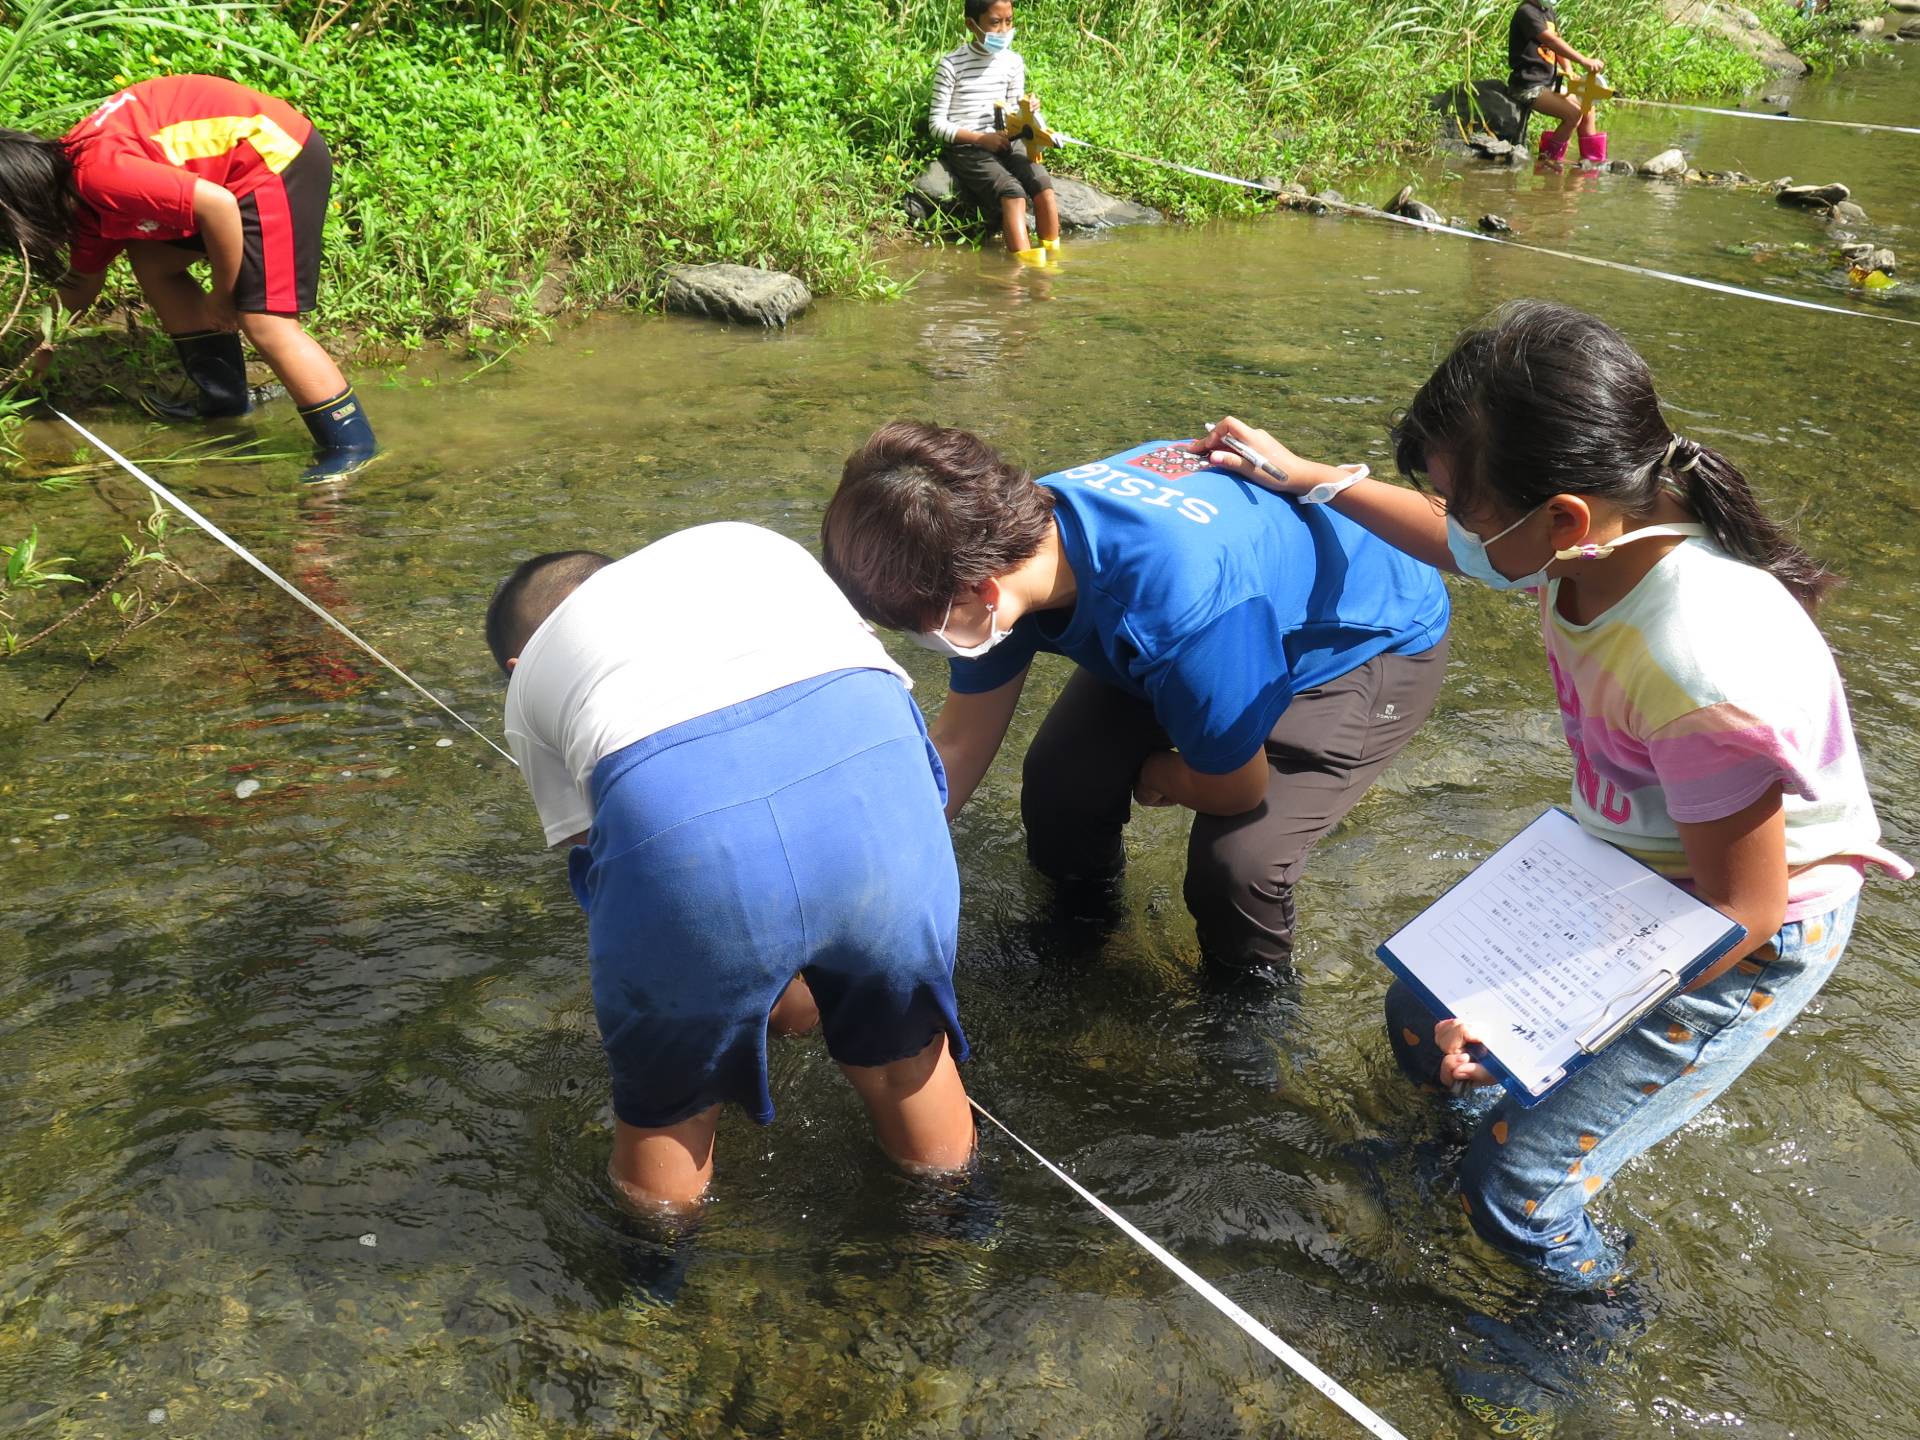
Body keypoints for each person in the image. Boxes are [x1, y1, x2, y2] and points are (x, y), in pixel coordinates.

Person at [1193, 300, 1909, 1288]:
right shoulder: (1602, 535)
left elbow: (1741, 907)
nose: (1456, 524)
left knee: (1519, 1189)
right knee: (1419, 1014)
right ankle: (1459, 1149)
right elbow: (1458, 543)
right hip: (1628, 859)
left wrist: (1549, 1028)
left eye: (1464, 502)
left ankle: (1589, 1318)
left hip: (1748, 926)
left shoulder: (1700, 665)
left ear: (1562, 519)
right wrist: (1310, 477)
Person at [820, 422, 1451, 976]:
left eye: (919, 629)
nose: (922, 641)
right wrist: (854, 895)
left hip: (1359, 639)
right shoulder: (1001, 541)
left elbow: (1240, 790)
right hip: (1216, 616)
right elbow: (958, 744)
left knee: (1238, 865)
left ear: (984, 594)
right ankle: (1083, 928)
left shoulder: (1179, 611)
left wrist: (1156, 774)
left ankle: (1247, 1004)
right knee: (1060, 781)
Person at [489, 523, 976, 1213]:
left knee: (671, 1108)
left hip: (690, 840)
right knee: (907, 1059)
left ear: (516, 662)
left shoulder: (532, 677)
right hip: (877, 774)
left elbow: (612, 859)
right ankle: (958, 1234)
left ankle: (656, 1271)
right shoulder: (745, 545)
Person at [0, 74, 376, 480]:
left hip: (274, 158)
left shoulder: (99, 175)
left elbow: (218, 206)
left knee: (264, 322)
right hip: (226, 177)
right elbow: (81, 284)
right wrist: (33, 360)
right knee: (152, 262)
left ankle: (351, 445)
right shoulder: (74, 191)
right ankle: (224, 403)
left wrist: (224, 294)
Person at [928, 0, 1062, 264]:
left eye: (1009, 21)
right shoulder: (951, 65)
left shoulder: (1013, 62)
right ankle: (1025, 265)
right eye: (995, 22)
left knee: (1042, 183)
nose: (1004, 30)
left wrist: (1029, 111)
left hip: (1007, 139)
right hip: (969, 146)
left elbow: (1014, 111)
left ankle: (1055, 257)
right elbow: (936, 125)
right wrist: (980, 139)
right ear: (971, 24)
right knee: (1012, 192)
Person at [1507, 0, 1607, 165]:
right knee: (1573, 114)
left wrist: (1568, 69)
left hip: (1548, 83)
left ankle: (1592, 161)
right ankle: (1549, 160)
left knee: (1587, 105)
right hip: (1528, 86)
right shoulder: (1527, 12)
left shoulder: (1547, 11)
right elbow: (1551, 41)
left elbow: (1556, 41)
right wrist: (1584, 60)